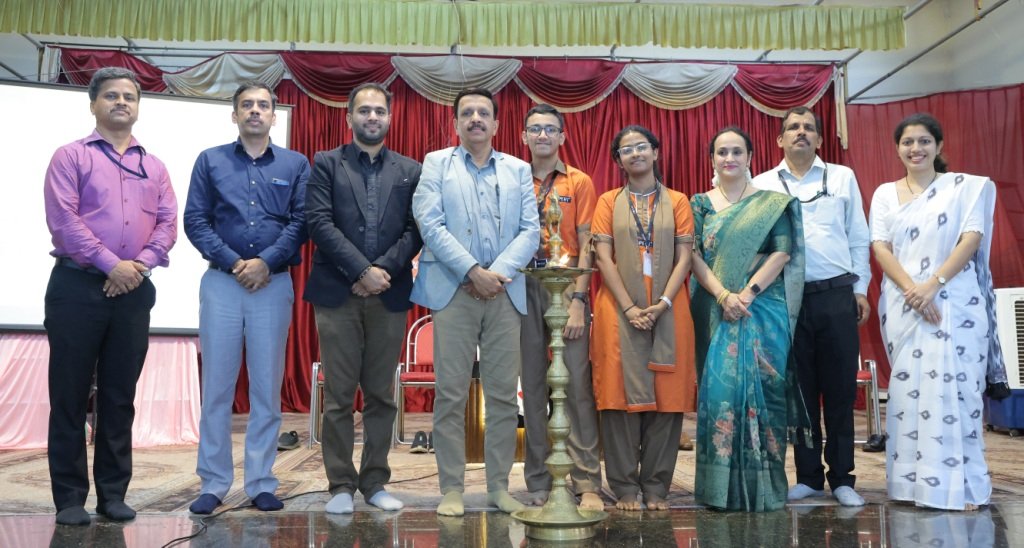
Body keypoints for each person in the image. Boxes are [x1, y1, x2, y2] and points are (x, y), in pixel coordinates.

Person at [43, 67, 178, 526]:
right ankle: (69, 499)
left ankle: (113, 494)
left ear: (138, 107)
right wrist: (111, 265)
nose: (122, 102)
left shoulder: (154, 166)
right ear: (93, 105)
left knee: (120, 397)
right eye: (112, 96)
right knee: (69, 395)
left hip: (134, 290)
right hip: (76, 288)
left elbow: (167, 224)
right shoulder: (70, 156)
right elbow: (65, 221)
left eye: (129, 97)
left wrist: (137, 266)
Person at [411, 88, 540, 517]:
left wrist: (495, 274)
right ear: (456, 124)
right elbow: (430, 224)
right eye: (467, 113)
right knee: (450, 394)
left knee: (503, 396)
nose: (475, 119)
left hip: (504, 291)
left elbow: (530, 230)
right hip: (454, 290)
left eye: (483, 113)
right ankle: (451, 488)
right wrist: (471, 271)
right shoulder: (436, 164)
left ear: (497, 124)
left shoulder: (518, 169)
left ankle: (499, 487)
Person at [183, 81, 310, 515]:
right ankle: (214, 483)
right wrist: (236, 262)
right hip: (222, 282)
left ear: (274, 115)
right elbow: (195, 220)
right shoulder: (210, 160)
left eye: (263, 105)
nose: (255, 111)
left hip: (272, 284)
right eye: (247, 105)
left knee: (266, 388)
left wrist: (266, 263)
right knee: (217, 388)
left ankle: (260, 482)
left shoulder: (295, 163)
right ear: (234, 114)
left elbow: (301, 222)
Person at [869, 113, 1005, 511]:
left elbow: (972, 237)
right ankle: (913, 485)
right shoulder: (884, 194)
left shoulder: (963, 188)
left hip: (955, 302)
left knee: (959, 394)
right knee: (909, 395)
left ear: (939, 146)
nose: (916, 149)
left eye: (924, 141)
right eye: (908, 142)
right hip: (904, 304)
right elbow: (880, 246)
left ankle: (962, 487)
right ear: (897, 148)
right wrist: (914, 291)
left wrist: (933, 284)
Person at [303, 83, 422, 514]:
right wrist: (360, 272)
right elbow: (319, 223)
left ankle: (374, 482)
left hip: (388, 293)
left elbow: (415, 229)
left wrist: (380, 272)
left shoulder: (410, 169)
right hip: (337, 293)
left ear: (390, 118)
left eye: (379, 111)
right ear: (349, 116)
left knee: (381, 395)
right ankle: (339, 484)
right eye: (364, 110)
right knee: (338, 394)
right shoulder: (325, 163)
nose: (372, 117)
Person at [751, 106, 872, 507]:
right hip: (786, 299)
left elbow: (858, 237)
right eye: (793, 127)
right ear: (780, 140)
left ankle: (842, 478)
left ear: (820, 139)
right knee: (798, 393)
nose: (801, 132)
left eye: (808, 127)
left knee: (839, 391)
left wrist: (861, 289)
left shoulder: (842, 177)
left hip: (837, 295)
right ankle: (807, 477)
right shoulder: (761, 184)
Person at [690, 127, 806, 511]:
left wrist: (747, 294)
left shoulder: (772, 204)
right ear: (711, 159)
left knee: (766, 396)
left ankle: (764, 488)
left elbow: (782, 252)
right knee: (719, 395)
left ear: (750, 157)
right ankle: (718, 491)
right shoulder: (700, 204)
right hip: (715, 308)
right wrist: (724, 296)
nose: (729, 158)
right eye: (721, 152)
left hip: (763, 308)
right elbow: (692, 256)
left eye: (736, 151)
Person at [590, 125, 696, 511]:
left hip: (670, 305)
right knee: (617, 397)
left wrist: (663, 302)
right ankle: (624, 487)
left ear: (655, 152)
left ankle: (656, 487)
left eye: (642, 147)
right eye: (626, 149)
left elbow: (685, 257)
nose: (635, 153)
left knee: (668, 397)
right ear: (618, 160)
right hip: (617, 307)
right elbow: (603, 258)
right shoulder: (607, 202)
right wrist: (630, 307)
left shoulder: (678, 201)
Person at [518, 104, 603, 510]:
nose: (543, 135)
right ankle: (538, 479)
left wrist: (579, 301)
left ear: (562, 137)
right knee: (533, 387)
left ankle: (586, 480)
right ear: (524, 136)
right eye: (535, 129)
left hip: (567, 286)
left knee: (576, 386)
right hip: (523, 285)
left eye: (550, 129)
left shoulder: (579, 181)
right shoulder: (514, 178)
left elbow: (587, 244)